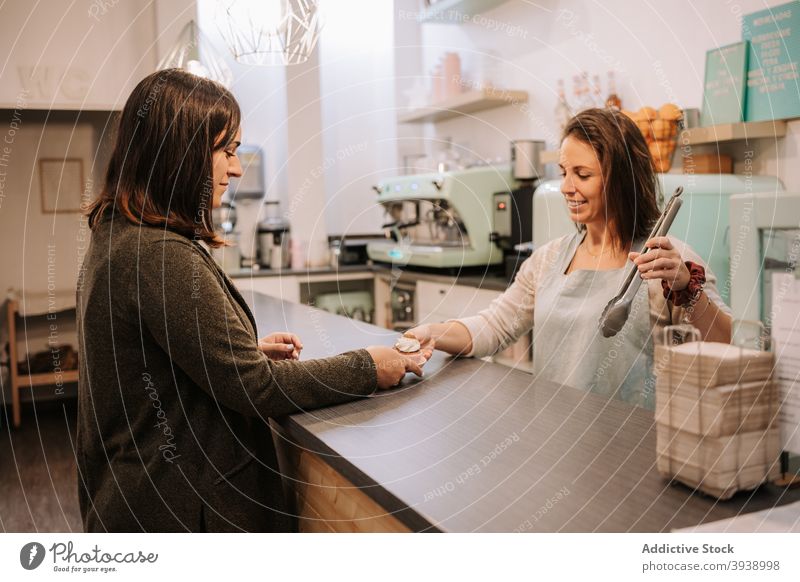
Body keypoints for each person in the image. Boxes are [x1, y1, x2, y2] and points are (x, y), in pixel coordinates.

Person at [76, 69, 430, 532]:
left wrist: (232, 351)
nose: (237, 168)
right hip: (181, 509)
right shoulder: (158, 256)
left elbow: (150, 359)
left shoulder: (119, 238)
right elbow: (256, 388)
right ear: (181, 155)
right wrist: (369, 365)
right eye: (227, 151)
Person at [406, 108, 731, 410]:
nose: (565, 187)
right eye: (564, 172)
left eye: (582, 174)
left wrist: (689, 288)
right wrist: (432, 333)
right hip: (557, 436)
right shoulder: (548, 259)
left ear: (621, 179)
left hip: (636, 448)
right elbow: (496, 326)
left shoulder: (667, 260)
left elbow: (729, 345)